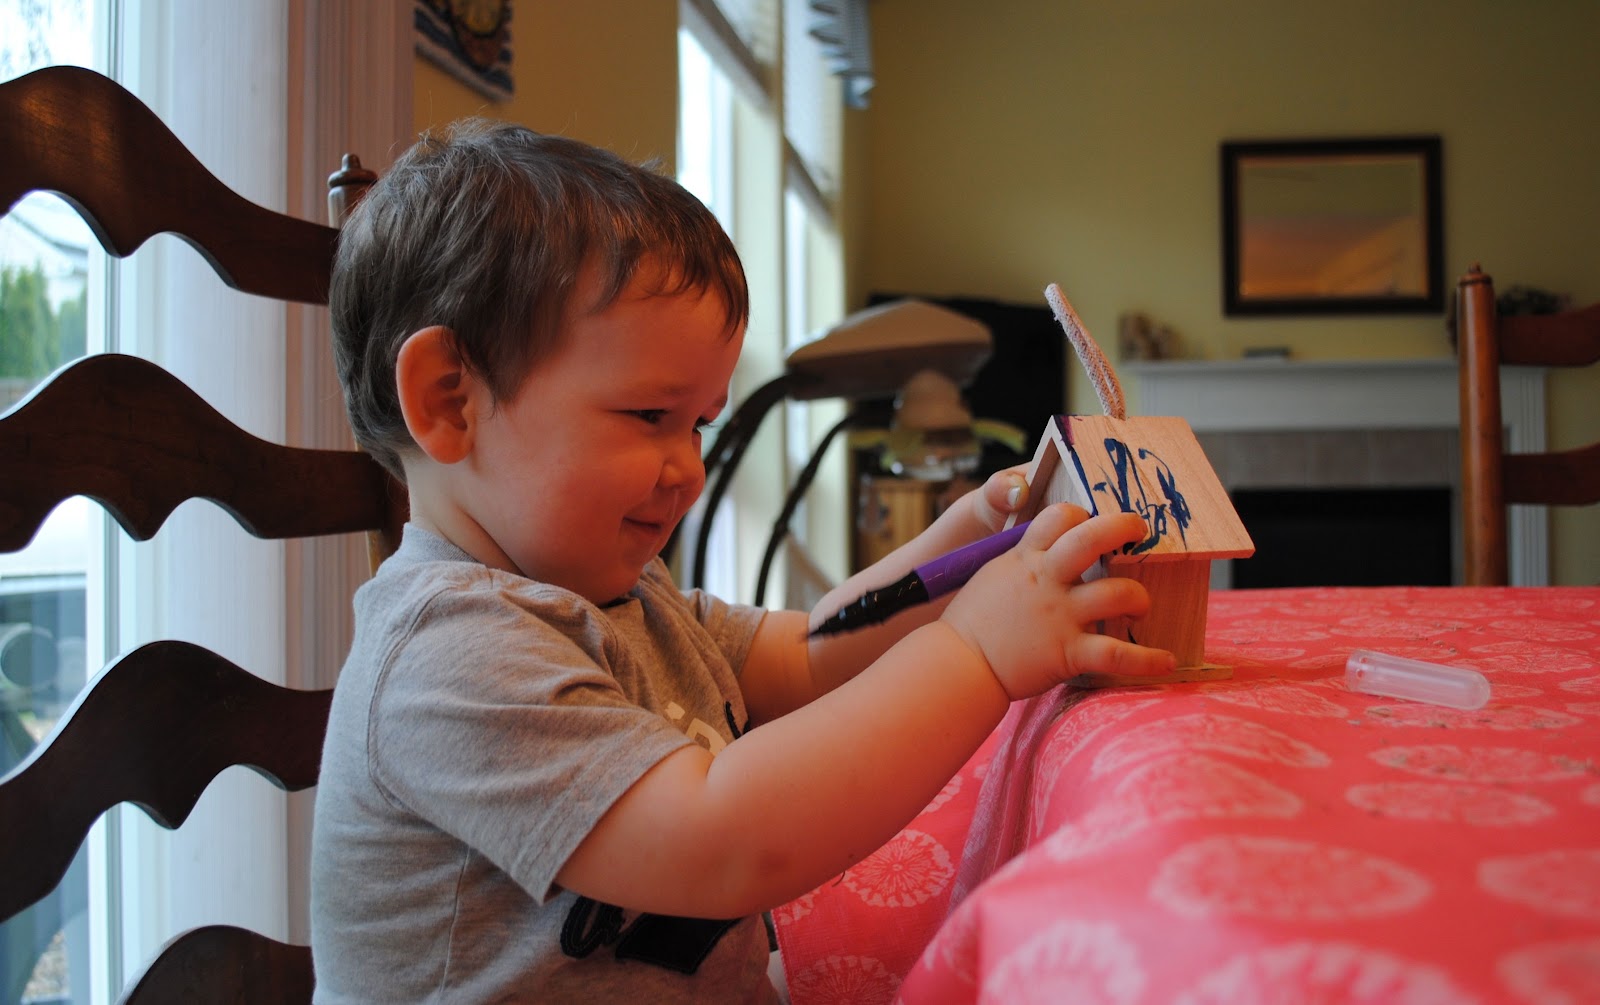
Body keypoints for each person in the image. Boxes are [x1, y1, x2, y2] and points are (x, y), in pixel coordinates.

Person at [309, 118, 1175, 1003]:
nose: (688, 467)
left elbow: (810, 652)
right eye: (650, 416)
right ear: (449, 400)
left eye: (700, 425)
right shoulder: (446, 656)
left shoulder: (615, 593)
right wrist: (979, 654)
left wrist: (959, 544)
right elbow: (720, 842)